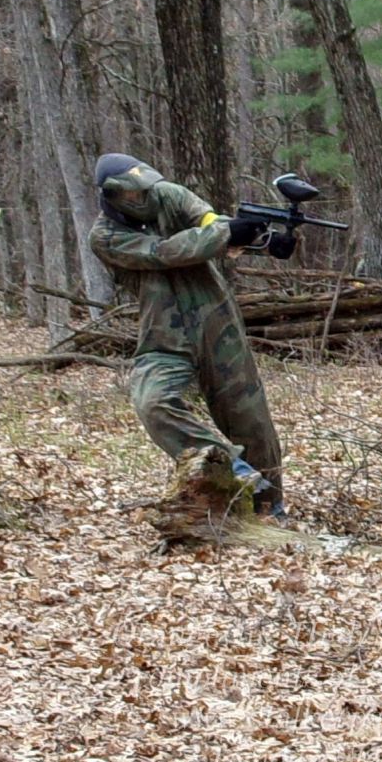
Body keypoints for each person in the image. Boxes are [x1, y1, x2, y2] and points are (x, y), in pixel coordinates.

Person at [88, 153, 288, 519]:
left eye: (144, 190)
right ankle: (232, 468)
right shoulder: (105, 236)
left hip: (217, 321)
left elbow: (210, 222)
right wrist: (226, 233)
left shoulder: (168, 194)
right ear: (113, 195)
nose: (143, 198)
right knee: (153, 403)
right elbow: (163, 252)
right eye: (134, 194)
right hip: (164, 335)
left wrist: (263, 239)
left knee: (251, 420)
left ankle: (269, 506)